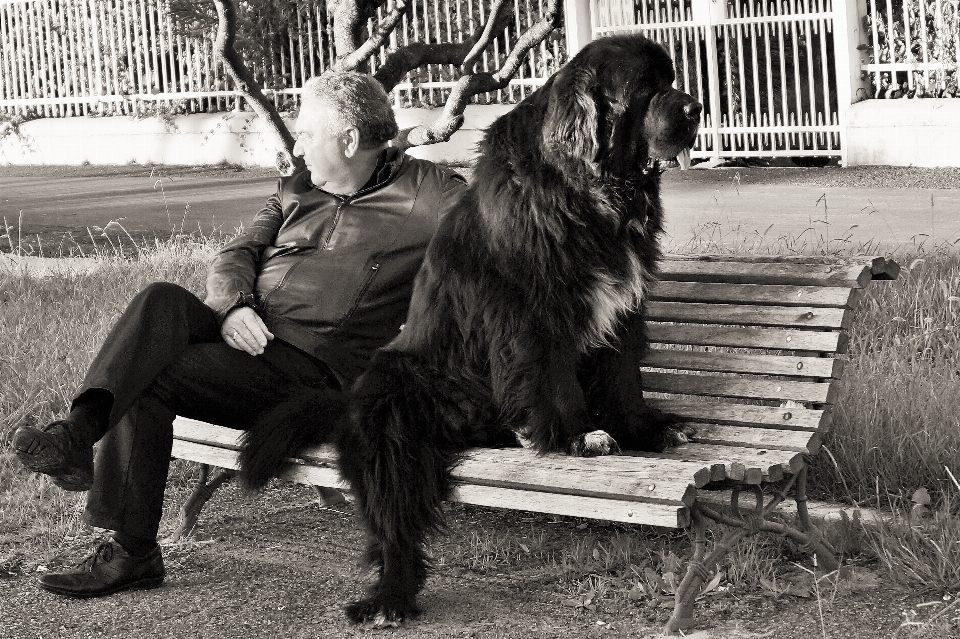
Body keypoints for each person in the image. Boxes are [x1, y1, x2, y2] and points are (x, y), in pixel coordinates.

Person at [12, 71, 468, 598]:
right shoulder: (298, 186)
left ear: (347, 139)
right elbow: (237, 253)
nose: (297, 146)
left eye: (307, 134)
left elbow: (504, 236)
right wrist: (232, 306)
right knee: (161, 297)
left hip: (308, 370)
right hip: (243, 332)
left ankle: (131, 550)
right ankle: (76, 435)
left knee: (153, 376)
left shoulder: (432, 197)